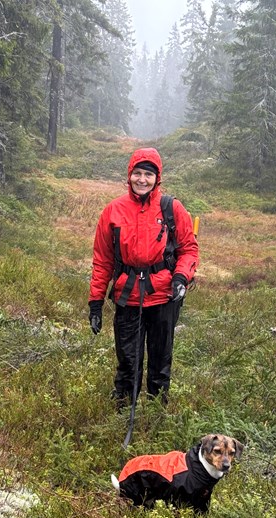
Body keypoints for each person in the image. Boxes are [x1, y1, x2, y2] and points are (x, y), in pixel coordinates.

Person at [88, 147, 198, 406]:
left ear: (157, 178)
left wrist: (181, 277)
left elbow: (189, 249)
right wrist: (95, 302)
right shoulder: (112, 211)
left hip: (164, 296)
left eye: (148, 174)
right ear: (129, 175)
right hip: (127, 296)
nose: (142, 179)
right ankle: (123, 411)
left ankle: (157, 412)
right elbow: (102, 260)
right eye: (137, 173)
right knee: (127, 360)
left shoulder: (173, 208)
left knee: (160, 361)